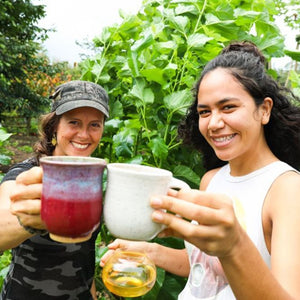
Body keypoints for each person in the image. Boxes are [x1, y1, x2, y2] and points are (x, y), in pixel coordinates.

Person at [100, 41, 300, 299]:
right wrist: (151, 252)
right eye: (204, 112)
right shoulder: (211, 180)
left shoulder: (287, 189)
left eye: (228, 107)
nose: (214, 123)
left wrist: (235, 246)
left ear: (264, 110)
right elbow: (203, 265)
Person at [0, 80, 109, 300]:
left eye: (94, 125)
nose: (84, 134)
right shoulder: (27, 175)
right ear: (54, 127)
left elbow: (84, 258)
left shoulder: (94, 178)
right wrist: (29, 220)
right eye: (74, 122)